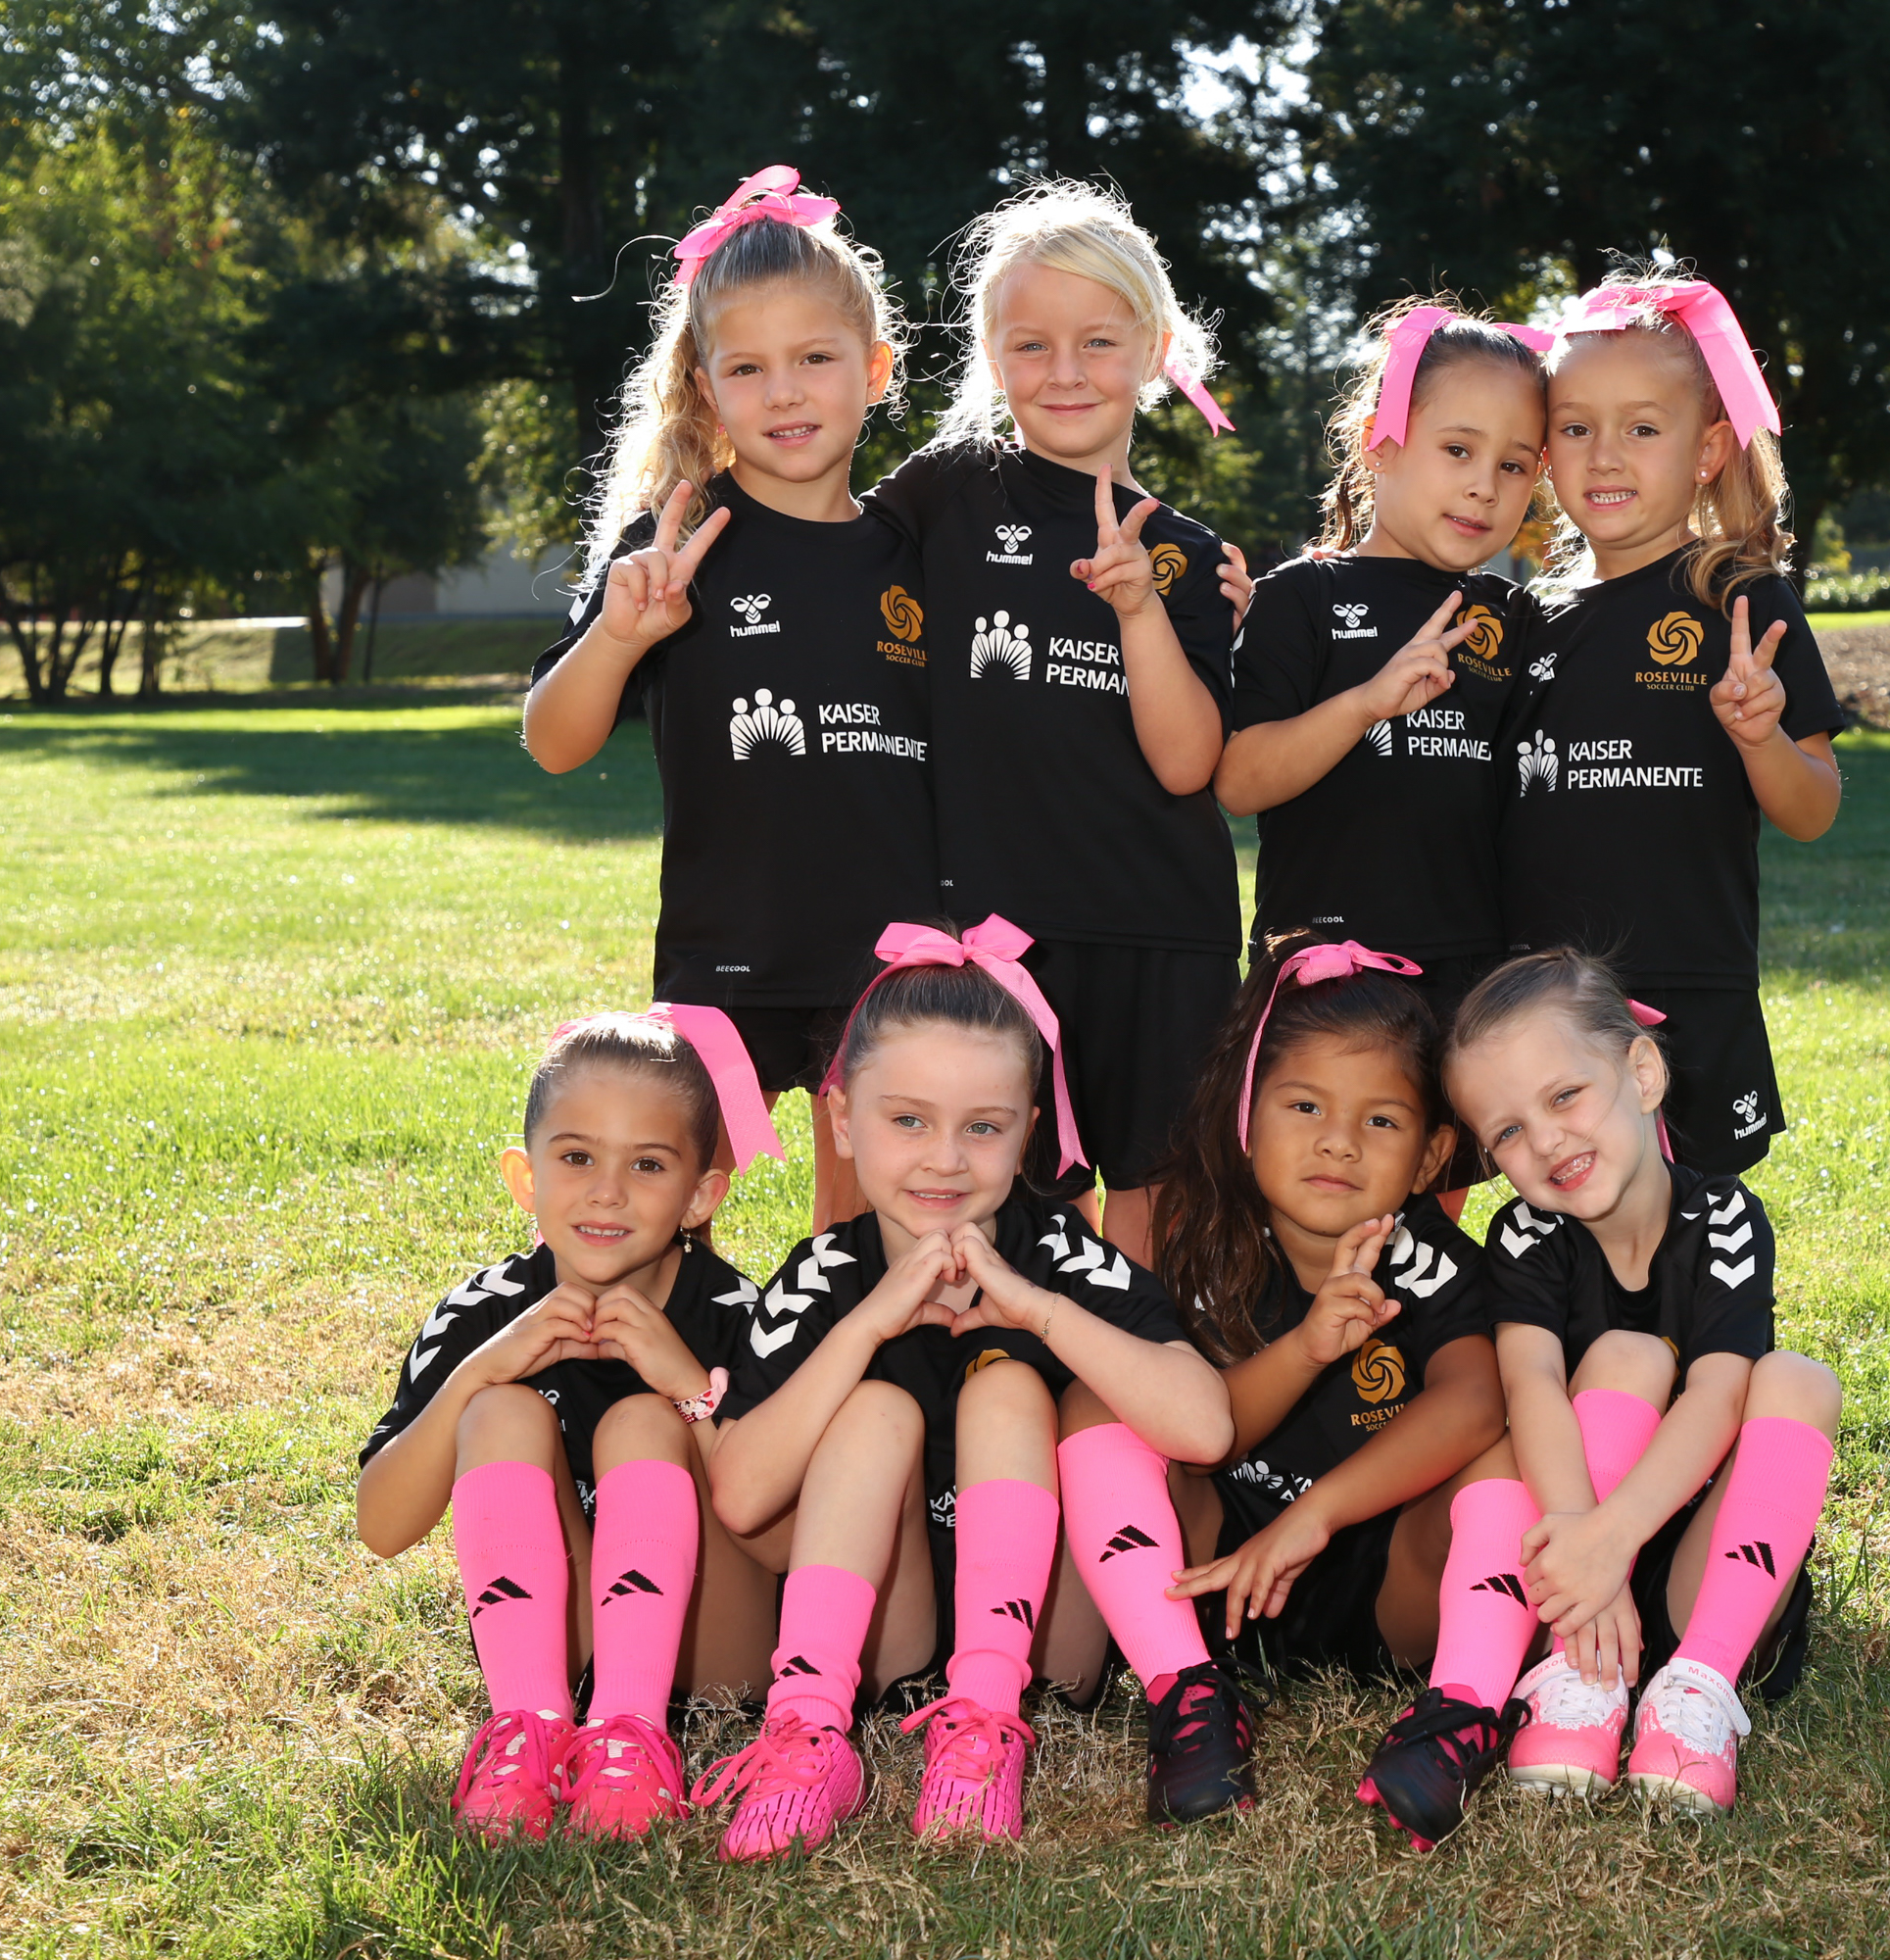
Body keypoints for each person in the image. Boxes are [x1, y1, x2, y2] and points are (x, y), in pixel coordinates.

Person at [700, 918, 1250, 1849]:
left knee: (1010, 1386)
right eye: (907, 1120)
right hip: (891, 1630)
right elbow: (744, 1495)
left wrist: (1036, 1310)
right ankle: (809, 1729)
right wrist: (869, 1324)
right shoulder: (824, 1275)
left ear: (1027, 1134)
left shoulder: (1058, 1252)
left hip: (1047, 1648)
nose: (945, 1159)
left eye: (982, 1128)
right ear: (843, 1120)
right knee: (874, 1408)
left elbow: (1205, 1430)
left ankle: (984, 1725)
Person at [524, 167, 931, 1228]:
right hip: (727, 948)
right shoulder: (676, 546)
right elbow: (553, 742)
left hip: (890, 959)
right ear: (707, 389)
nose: (783, 392)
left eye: (814, 359)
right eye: (747, 367)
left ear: (875, 368)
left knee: (865, 1244)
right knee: (664, 1223)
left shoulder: (919, 552)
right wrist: (619, 636)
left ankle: (841, 1339)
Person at [865, 180, 1247, 1265]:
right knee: (1013, 1206)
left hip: (1159, 927)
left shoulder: (1187, 555)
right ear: (992, 355)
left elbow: (1189, 764)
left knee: (1153, 1209)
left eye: (1098, 342)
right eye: (1031, 344)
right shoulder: (945, 495)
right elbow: (826, 565)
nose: (1065, 372)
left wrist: (1140, 608)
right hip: (999, 930)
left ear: (1155, 350)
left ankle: (1139, 1375)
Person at [1148, 932, 1547, 1852]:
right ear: (1248, 1117)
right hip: (1224, 1587)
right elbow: (1201, 1436)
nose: (1338, 1141)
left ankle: (1460, 1703)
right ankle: (1185, 1687)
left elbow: (1477, 1404)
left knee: (1515, 1435)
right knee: (1126, 1413)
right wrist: (1305, 1348)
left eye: (1382, 1121)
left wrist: (1316, 1515)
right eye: (1304, 1105)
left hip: (1391, 1595)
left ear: (1431, 1155)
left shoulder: (1430, 1260)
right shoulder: (1209, 1247)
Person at [354, 1011, 779, 1841]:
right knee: (499, 1407)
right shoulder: (482, 1312)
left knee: (641, 1422)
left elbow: (787, 1541)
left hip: (713, 1655)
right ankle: (529, 1725)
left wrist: (689, 1387)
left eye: (647, 1164)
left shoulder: (739, 1316)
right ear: (526, 1177)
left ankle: (633, 1732)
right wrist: (481, 1371)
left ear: (699, 1195)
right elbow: (382, 1525)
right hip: (563, 1641)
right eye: (577, 1157)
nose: (606, 1191)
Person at [1442, 952, 1842, 1814]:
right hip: (1572, 1578)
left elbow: (1720, 1395)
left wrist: (1614, 1538)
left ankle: (1698, 1689)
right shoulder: (1524, 1236)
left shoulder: (1724, 1216)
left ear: (1644, 1073)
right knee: (1626, 1357)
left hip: (1709, 1575)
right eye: (1507, 1132)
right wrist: (1587, 1556)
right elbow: (1531, 1389)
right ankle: (1578, 1678)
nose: (1545, 1141)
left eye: (1564, 1096)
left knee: (1799, 1380)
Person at [1503, 272, 1844, 1173]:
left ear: (1708, 449)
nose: (1605, 457)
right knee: (1566, 1204)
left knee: (1694, 1213)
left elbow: (1813, 810)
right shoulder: (1525, 619)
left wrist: (1761, 738)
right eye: (1576, 428)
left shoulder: (1741, 600)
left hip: (1693, 981)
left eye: (1643, 429)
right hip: (1550, 999)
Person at [1213, 298, 1548, 1093]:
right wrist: (1366, 703)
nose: (1483, 487)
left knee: (1444, 1161)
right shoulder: (1300, 597)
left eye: (1513, 466)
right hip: (1327, 973)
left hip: (1473, 978)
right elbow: (1240, 780)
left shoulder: (1516, 619)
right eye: (1458, 449)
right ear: (1382, 444)